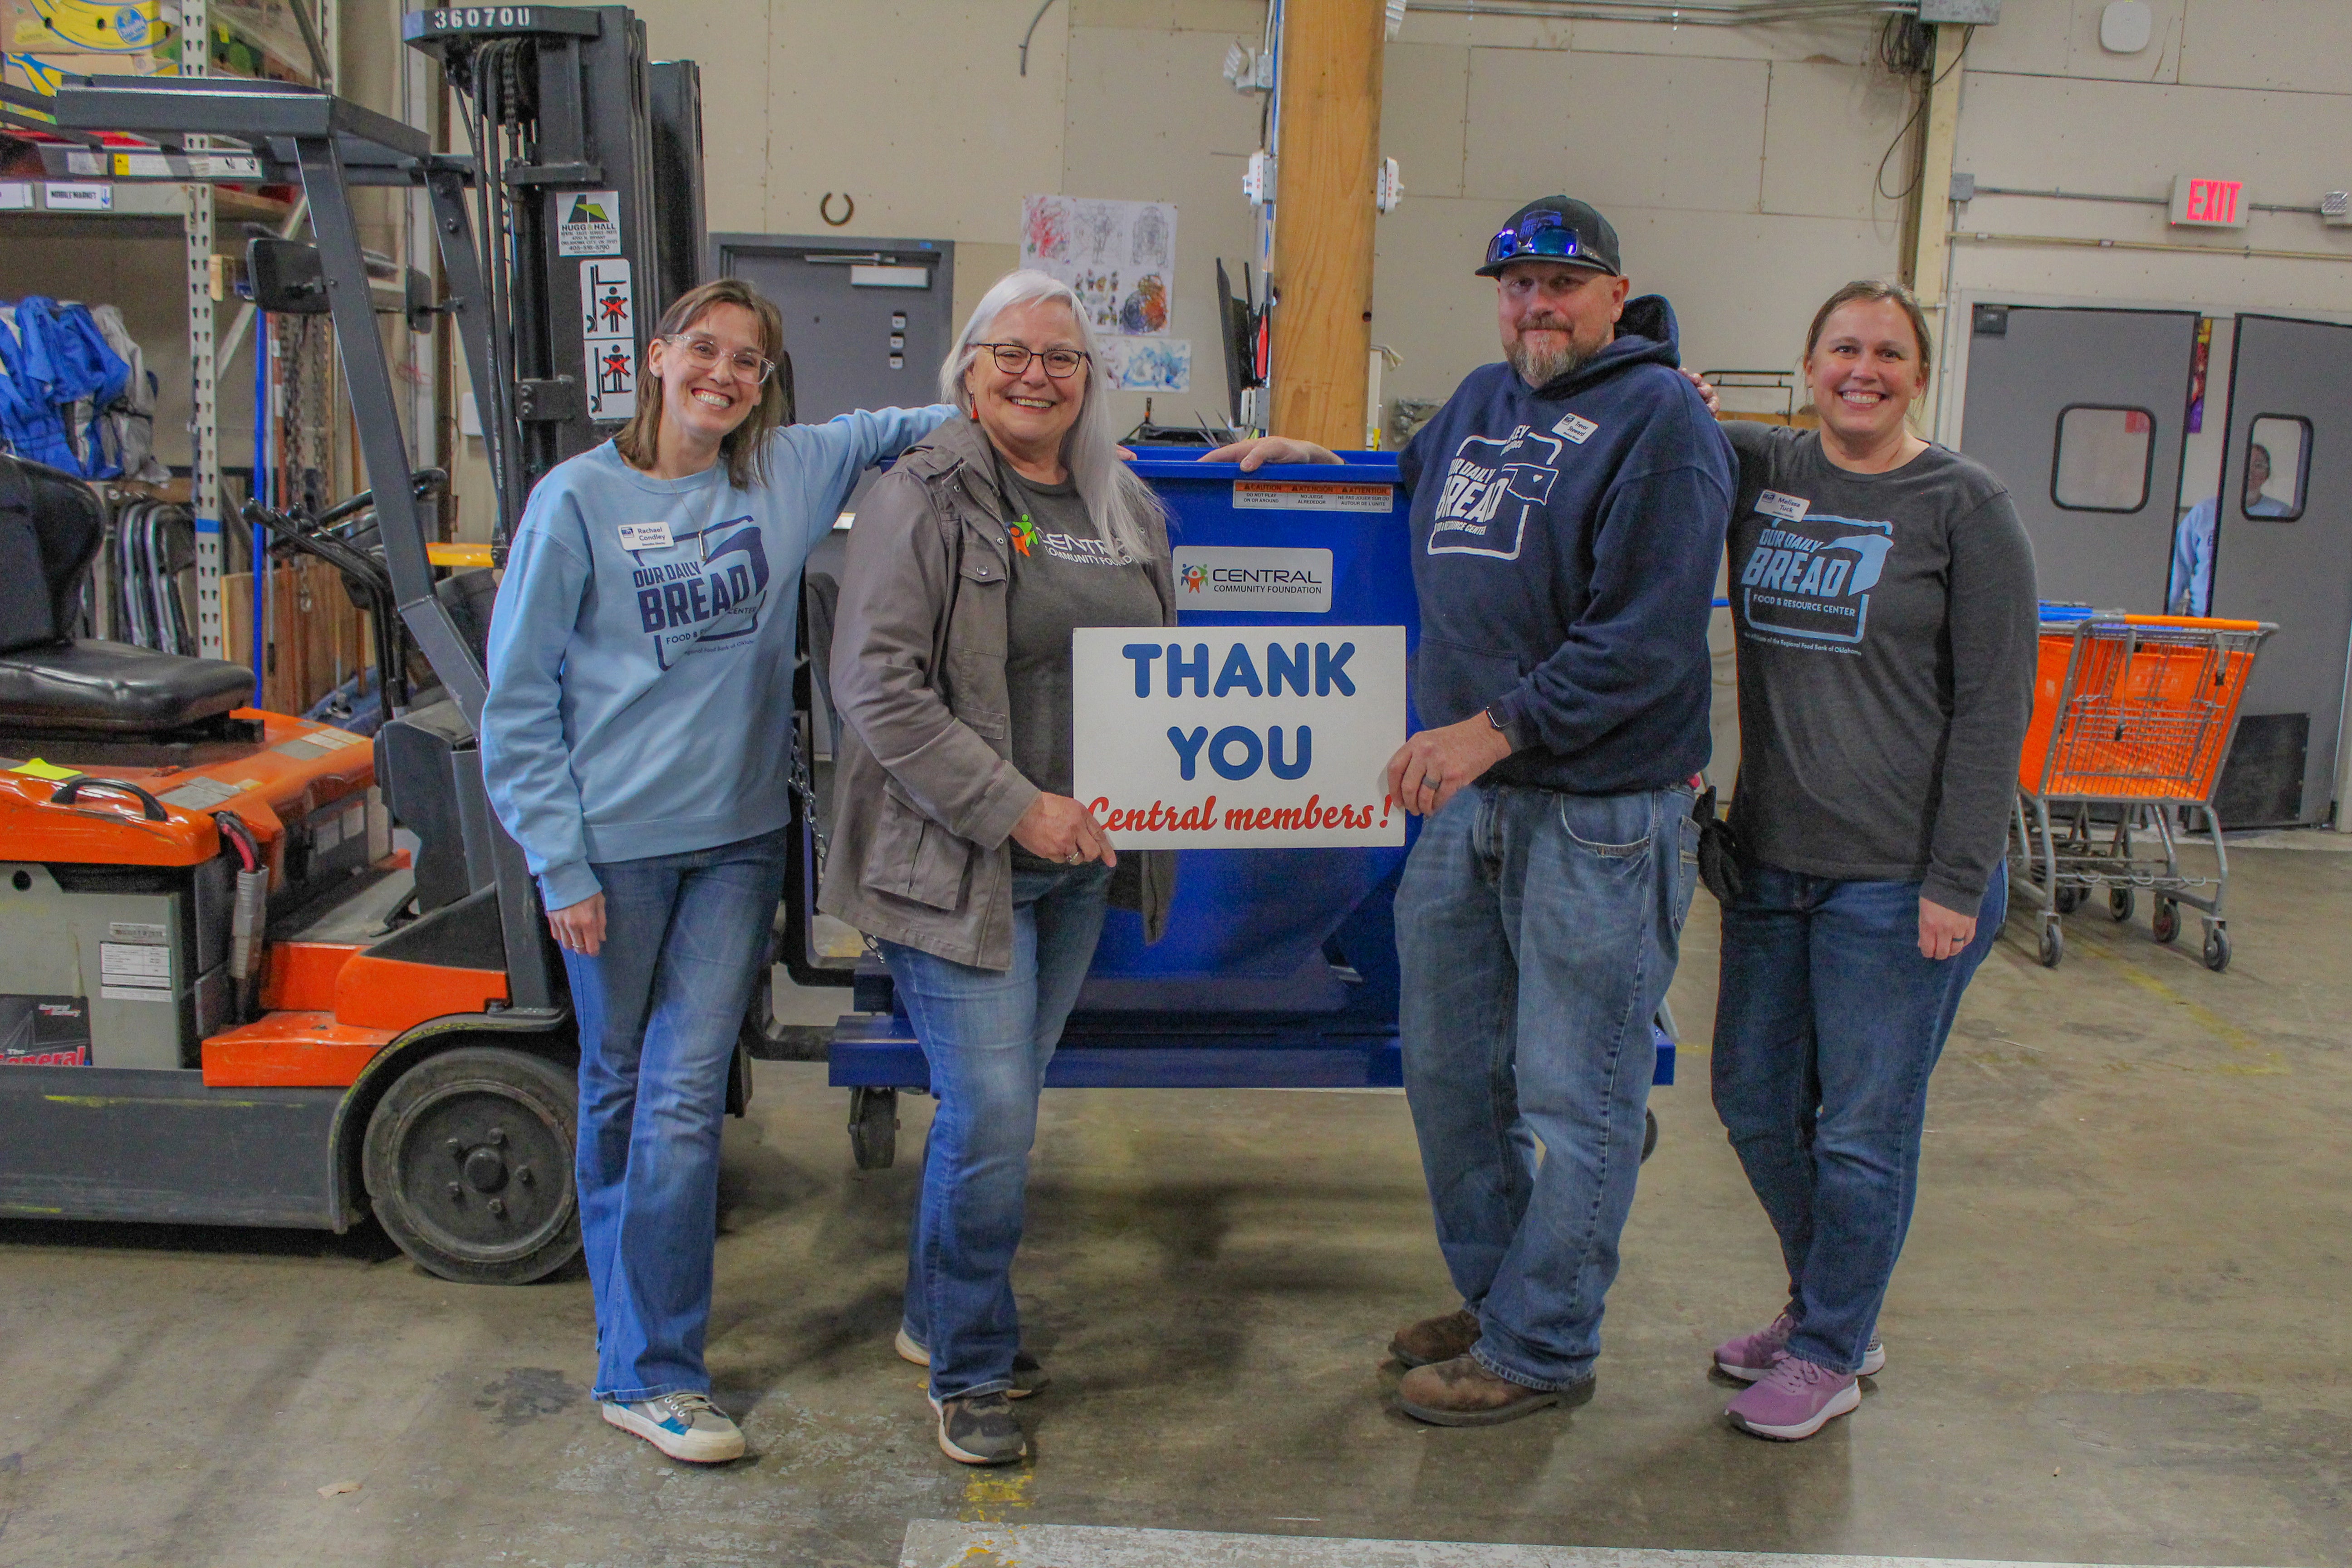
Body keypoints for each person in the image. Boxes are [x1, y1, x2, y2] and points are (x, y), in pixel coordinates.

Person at [1207, 196, 1731, 1426]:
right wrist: (1321, 464)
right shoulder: (1482, 400)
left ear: (1614, 293)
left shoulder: (1660, 424)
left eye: (1561, 283)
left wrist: (1487, 732)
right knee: (1449, 1076)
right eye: (1516, 285)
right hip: (1471, 809)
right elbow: (1419, 483)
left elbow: (1645, 645)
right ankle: (1509, 1297)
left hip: (1595, 814)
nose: (1536, 306)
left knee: (1576, 1092)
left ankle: (1544, 1347)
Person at [481, 278, 952, 1464]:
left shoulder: (783, 473)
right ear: (657, 358)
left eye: (750, 362)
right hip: (613, 859)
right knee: (621, 1089)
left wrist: (1046, 392)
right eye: (706, 351)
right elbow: (517, 701)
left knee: (681, 1102)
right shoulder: (575, 502)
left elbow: (922, 421)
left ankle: (652, 1370)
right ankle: (630, 1353)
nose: (726, 377)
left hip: (738, 847)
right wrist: (558, 863)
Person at [821, 270, 1176, 1467]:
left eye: (1063, 358)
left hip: (1080, 867)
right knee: (996, 1117)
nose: (1037, 375)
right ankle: (970, 1365)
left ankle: (937, 1313)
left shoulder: (1125, 503)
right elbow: (874, 687)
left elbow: (1165, 676)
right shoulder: (917, 496)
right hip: (952, 864)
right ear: (969, 368)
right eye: (1012, 352)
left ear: (1091, 381)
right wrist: (1015, 807)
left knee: (995, 1120)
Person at [1706, 279, 2037, 1441]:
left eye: (1887, 352)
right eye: (1842, 347)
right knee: (1751, 1100)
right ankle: (1828, 1309)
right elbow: (1633, 410)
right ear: (1806, 365)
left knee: (1859, 1126)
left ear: (1917, 372)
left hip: (1903, 878)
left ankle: (1832, 1344)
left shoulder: (1964, 504)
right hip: (1773, 863)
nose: (1863, 368)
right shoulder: (1764, 472)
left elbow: (1997, 706)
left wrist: (1957, 877)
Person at [2168, 441, 2292, 616]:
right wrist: (2162, 618)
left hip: (2257, 619)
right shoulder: (2203, 513)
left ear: (2266, 475)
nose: (2250, 472)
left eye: (2259, 466)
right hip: (2203, 618)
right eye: (2244, 464)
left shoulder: (2281, 514)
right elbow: (2178, 569)